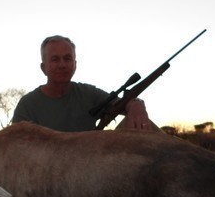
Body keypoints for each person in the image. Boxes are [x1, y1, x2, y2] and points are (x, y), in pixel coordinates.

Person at [12, 35, 154, 132]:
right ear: (43, 68)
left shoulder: (88, 93)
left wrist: (136, 105)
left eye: (67, 59)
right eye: (55, 59)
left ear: (75, 64)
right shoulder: (27, 105)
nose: (62, 65)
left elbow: (122, 104)